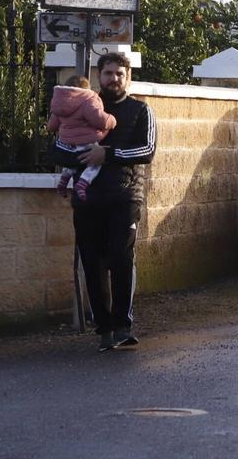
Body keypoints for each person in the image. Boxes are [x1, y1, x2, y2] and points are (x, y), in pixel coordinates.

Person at [57, 53, 156, 352]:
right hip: (88, 199)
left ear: (128, 77)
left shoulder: (141, 110)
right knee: (91, 262)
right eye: (108, 73)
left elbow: (148, 150)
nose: (114, 78)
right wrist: (81, 157)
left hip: (125, 197)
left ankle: (123, 325)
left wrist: (107, 154)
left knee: (121, 257)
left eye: (119, 74)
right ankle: (105, 329)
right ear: (99, 75)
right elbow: (60, 146)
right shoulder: (81, 104)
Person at [48, 74, 116, 201]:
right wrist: (112, 120)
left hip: (66, 144)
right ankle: (83, 183)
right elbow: (99, 120)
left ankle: (63, 180)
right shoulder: (87, 100)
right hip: (86, 142)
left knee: (73, 161)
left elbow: (52, 126)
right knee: (94, 164)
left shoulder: (61, 103)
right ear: (87, 89)